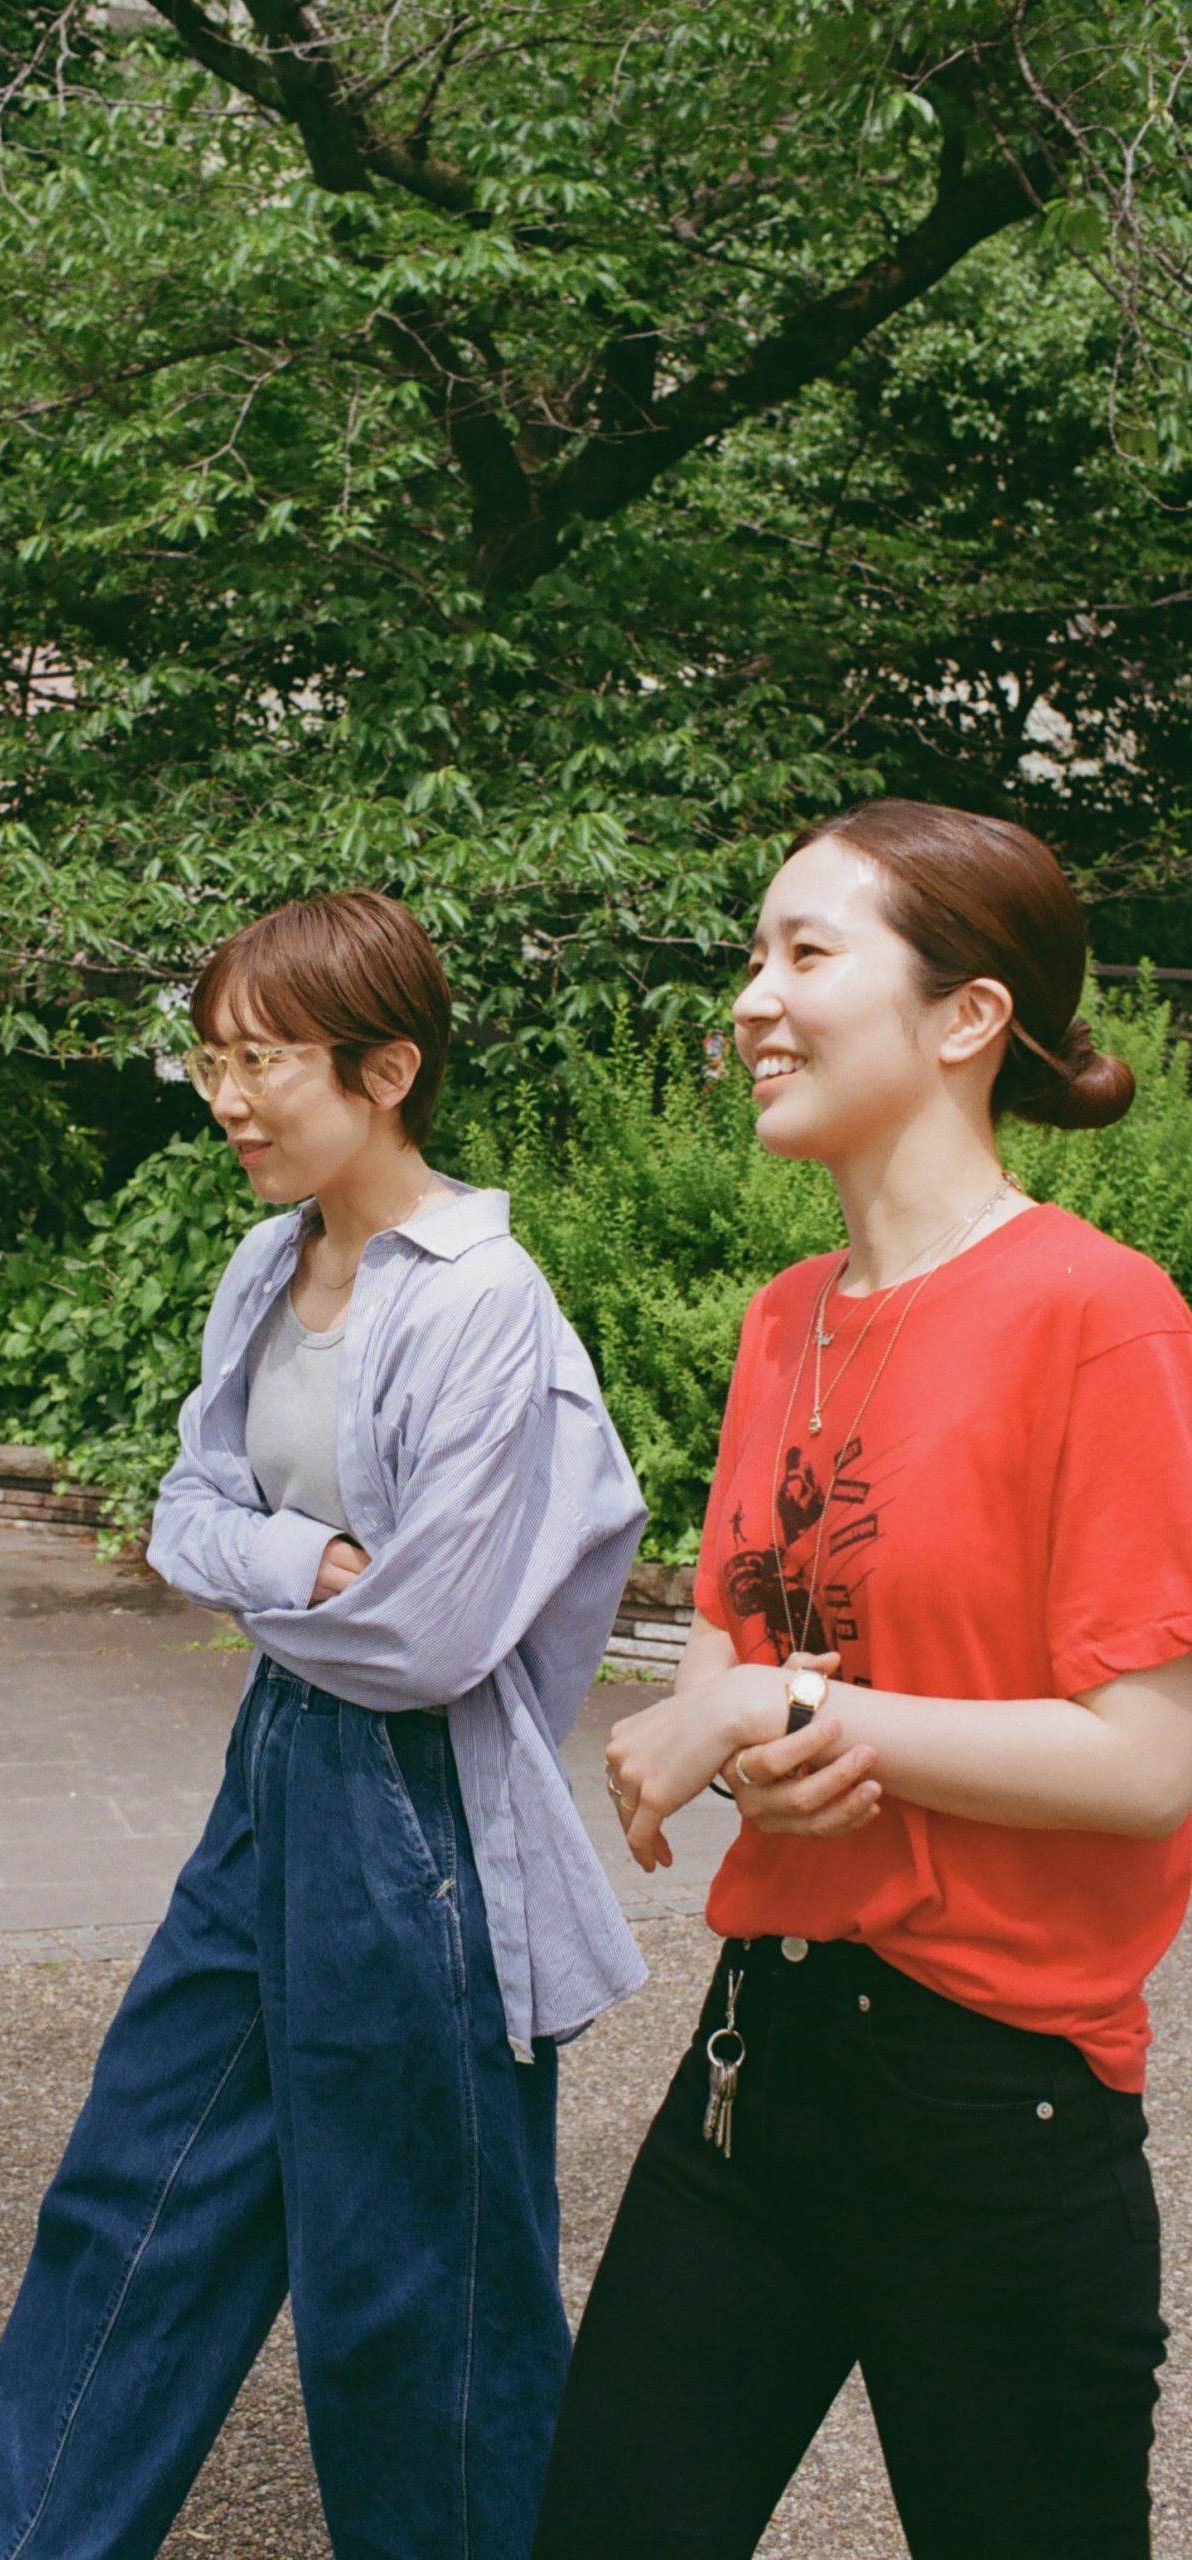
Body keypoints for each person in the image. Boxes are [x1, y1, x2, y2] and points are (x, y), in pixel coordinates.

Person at [0, 890, 648, 2560]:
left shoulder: (482, 1300)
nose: (226, 1098)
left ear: (386, 1070)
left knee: (419, 2293)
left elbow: (429, 1633)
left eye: (263, 1061)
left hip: (419, 1807)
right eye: (212, 1058)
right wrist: (291, 1561)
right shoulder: (268, 1264)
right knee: (131, 2203)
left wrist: (261, 1563)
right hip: (276, 1763)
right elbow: (180, 1511)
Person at [533, 799, 1192, 2560]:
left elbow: (1148, 1764)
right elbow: (746, 1634)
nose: (752, 997)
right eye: (753, 953)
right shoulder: (782, 1316)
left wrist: (791, 1715)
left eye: (806, 953)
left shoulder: (1099, 1316)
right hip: (762, 2054)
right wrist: (759, 1735)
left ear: (966, 1016)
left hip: (998, 2101)